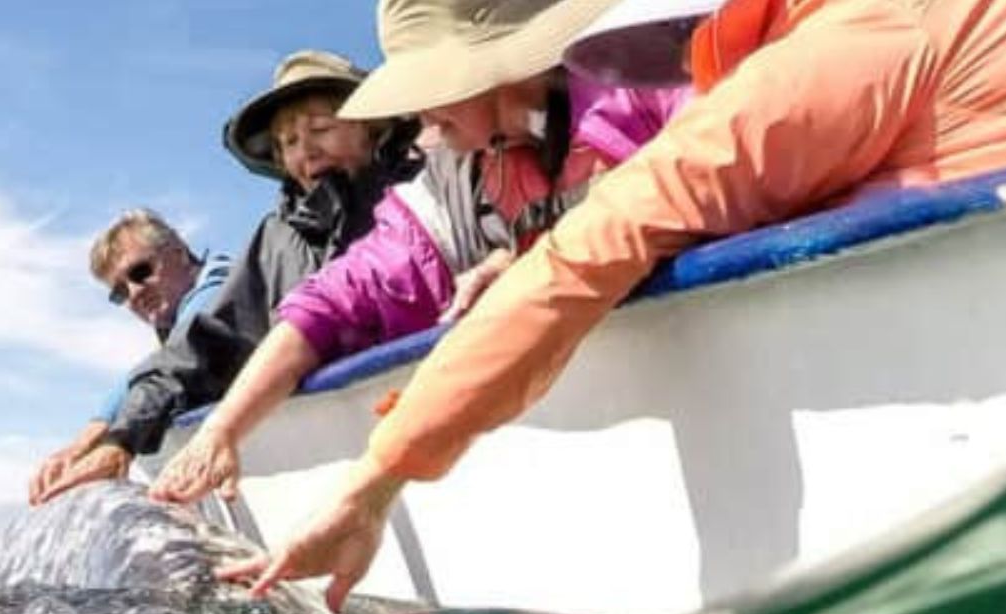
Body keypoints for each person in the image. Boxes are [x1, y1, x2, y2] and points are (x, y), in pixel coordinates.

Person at [226, 0, 1006, 611]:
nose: (663, 77)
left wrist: (376, 479)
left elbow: (590, 254)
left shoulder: (828, 51)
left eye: (668, 50)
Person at [149, 66, 682, 506]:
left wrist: (524, 256)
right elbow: (337, 298)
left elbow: (709, 163)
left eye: (433, 87)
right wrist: (223, 429)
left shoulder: (646, 70)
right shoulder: (442, 188)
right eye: (289, 141)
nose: (422, 119)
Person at [30, 51, 420, 506]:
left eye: (321, 129)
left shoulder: (425, 193)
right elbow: (203, 347)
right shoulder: (275, 238)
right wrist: (122, 438)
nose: (305, 151)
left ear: (371, 126)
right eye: (289, 142)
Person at [29, 212, 235, 498]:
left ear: (178, 253)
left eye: (140, 272)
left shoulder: (225, 285)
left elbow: (178, 355)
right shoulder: (175, 335)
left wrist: (114, 442)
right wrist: (80, 447)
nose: (134, 293)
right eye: (120, 292)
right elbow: (159, 367)